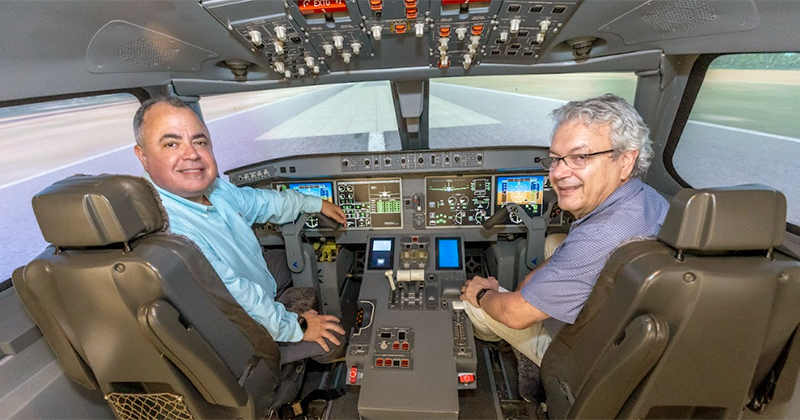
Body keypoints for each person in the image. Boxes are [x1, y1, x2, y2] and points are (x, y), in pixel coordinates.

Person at [460, 94, 670, 371]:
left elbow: (513, 314)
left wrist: (483, 294)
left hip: (583, 360)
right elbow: (575, 247)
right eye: (555, 159)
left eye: (580, 157)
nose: (558, 173)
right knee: (554, 242)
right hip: (623, 328)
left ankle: (492, 341)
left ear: (626, 161)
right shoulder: (646, 198)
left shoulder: (602, 235)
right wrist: (532, 283)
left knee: (475, 306)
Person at [133, 97, 347, 355]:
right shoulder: (170, 230)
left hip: (251, 284)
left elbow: (260, 202)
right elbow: (236, 296)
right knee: (334, 343)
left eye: (199, 141)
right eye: (171, 144)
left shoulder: (216, 190)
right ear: (142, 157)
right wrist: (296, 325)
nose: (191, 154)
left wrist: (313, 203)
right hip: (239, 330)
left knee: (287, 258)